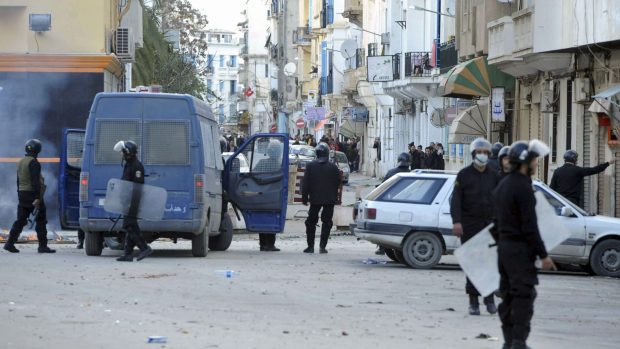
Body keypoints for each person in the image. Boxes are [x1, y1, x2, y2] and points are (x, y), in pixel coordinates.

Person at [493, 140, 557, 349]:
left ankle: (508, 340)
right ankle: (519, 342)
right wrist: (543, 255)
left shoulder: (503, 184)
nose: (536, 163)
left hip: (504, 249)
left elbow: (495, 223)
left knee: (508, 295)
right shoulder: (522, 187)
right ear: (525, 162)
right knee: (523, 295)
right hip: (519, 251)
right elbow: (530, 227)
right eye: (534, 160)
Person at [451, 138, 500, 315]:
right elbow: (455, 200)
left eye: (486, 153)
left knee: (488, 264)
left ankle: (489, 300)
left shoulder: (494, 175)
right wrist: (457, 221)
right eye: (480, 152)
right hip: (469, 226)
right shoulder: (464, 175)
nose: (483, 155)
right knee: (473, 264)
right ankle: (473, 302)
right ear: (473, 154)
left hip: (489, 226)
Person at [3, 139, 55, 254]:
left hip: (22, 194)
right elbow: (35, 181)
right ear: (38, 150)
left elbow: (18, 180)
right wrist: (37, 198)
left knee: (20, 220)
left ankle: (9, 243)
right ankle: (42, 246)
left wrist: (19, 194)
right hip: (32, 194)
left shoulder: (21, 162)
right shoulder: (34, 163)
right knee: (41, 220)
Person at [114, 140, 153, 262]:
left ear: (128, 152)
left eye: (123, 152)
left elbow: (137, 187)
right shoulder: (129, 164)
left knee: (130, 225)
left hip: (133, 201)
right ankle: (128, 254)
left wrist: (132, 202)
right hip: (127, 200)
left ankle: (144, 248)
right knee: (129, 226)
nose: (121, 154)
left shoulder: (137, 166)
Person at [302, 143, 341, 254]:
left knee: (311, 222)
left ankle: (310, 246)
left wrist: (305, 198)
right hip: (329, 199)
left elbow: (305, 184)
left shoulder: (310, 166)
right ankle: (322, 247)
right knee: (327, 222)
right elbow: (338, 183)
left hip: (315, 199)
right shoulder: (333, 167)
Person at [375, 152, 412, 255]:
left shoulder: (391, 172)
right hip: (407, 205)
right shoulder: (412, 174)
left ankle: (382, 248)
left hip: (390, 204)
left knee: (384, 227)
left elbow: (382, 187)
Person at [254, 141, 283, 252]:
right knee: (272, 220)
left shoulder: (261, 162)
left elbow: (254, 175)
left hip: (261, 196)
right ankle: (270, 245)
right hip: (273, 197)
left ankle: (263, 244)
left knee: (262, 219)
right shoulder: (278, 166)